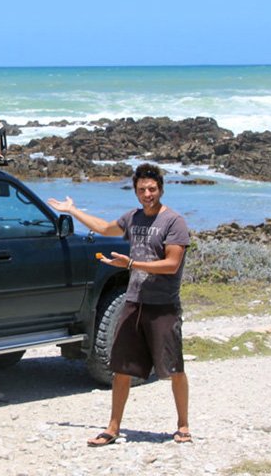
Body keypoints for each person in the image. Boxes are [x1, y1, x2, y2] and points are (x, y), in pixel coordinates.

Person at [48, 163, 192, 447]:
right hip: (134, 302)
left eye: (152, 189)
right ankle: (112, 428)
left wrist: (130, 264)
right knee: (121, 369)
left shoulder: (174, 222)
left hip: (163, 306)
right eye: (142, 190)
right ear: (136, 192)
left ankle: (183, 425)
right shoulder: (133, 218)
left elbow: (172, 264)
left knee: (174, 369)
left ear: (160, 189)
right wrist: (73, 211)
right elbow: (104, 227)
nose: (147, 194)